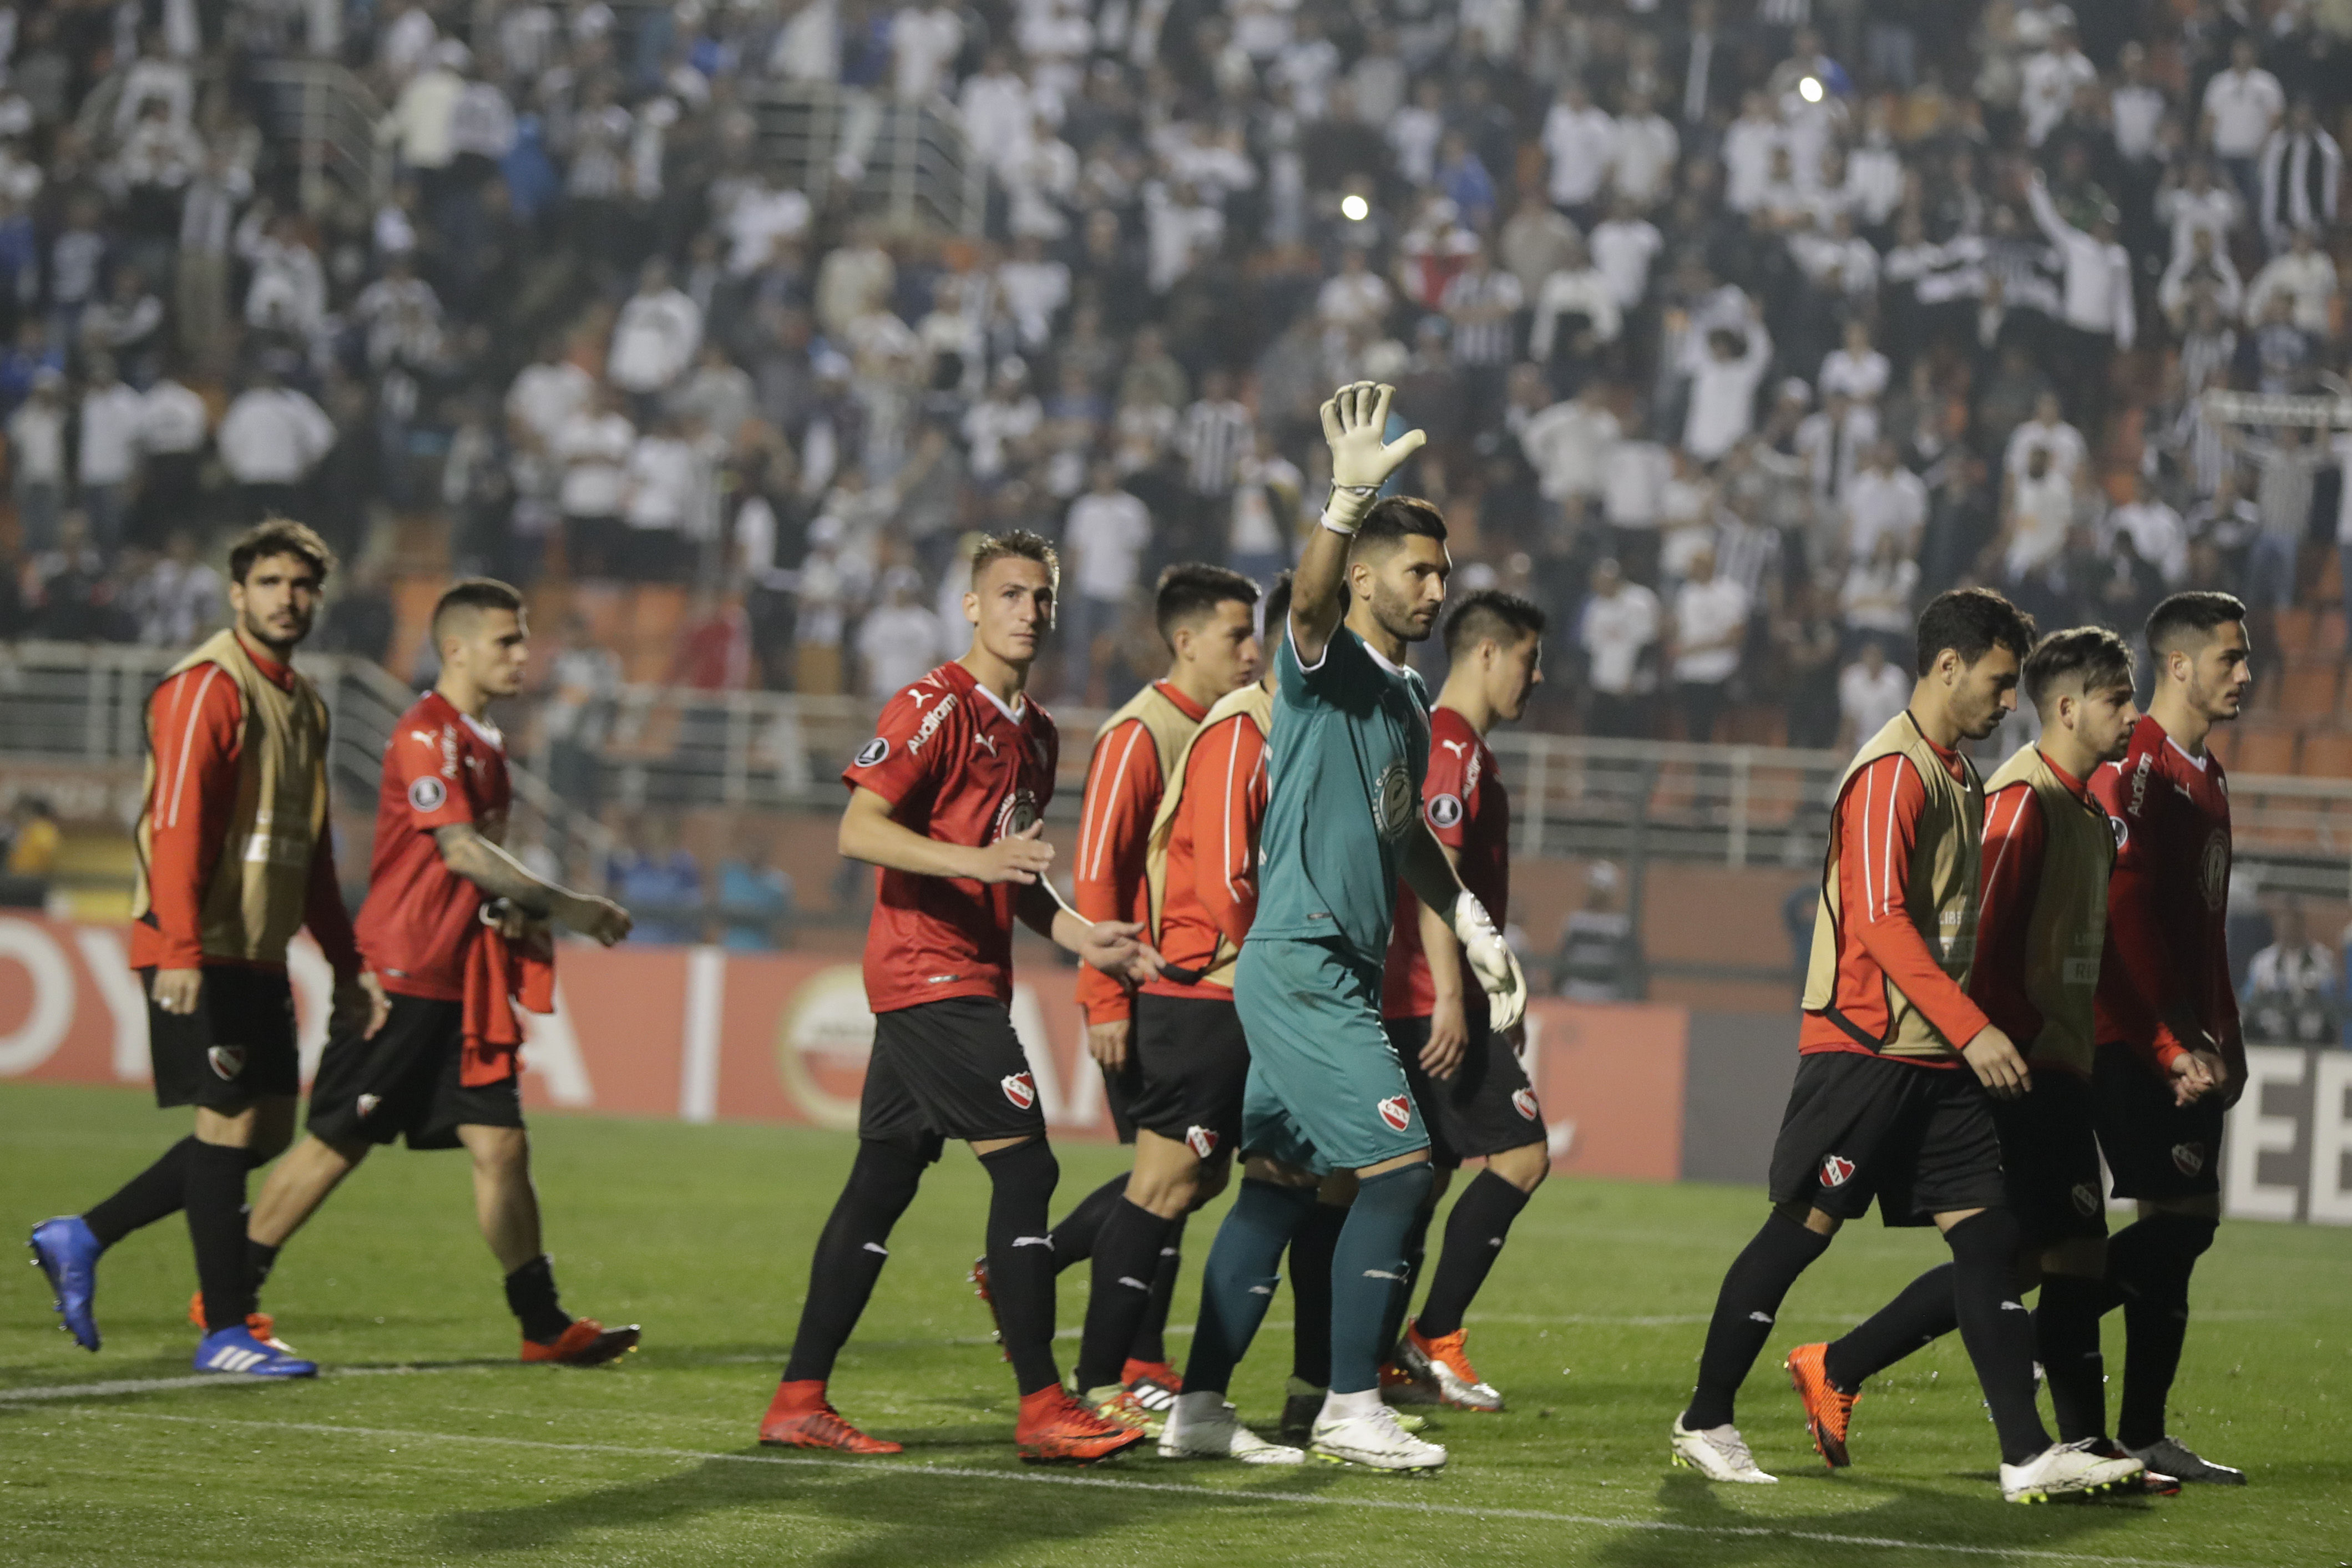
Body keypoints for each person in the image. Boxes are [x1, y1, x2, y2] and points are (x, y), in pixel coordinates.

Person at [1670, 588, 2146, 1504]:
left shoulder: (1959, 776)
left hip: (1939, 1058)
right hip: (1868, 1047)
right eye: (2000, 684)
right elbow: (1883, 923)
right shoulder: (1892, 772)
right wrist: (1977, 1027)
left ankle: (2025, 1453)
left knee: (1992, 1237)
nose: (2009, 702)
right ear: (1947, 667)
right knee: (1799, 1233)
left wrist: (1963, 1034)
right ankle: (1705, 1416)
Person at [1168, 383, 1526, 1473]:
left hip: (1333, 966)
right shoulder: (1323, 669)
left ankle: (1196, 1411)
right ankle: (1345, 1404)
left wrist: (1463, 915)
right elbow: (1308, 606)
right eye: (1416, 570)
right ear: (1364, 575)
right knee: (1403, 1165)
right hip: (1304, 964)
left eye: (1442, 571)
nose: (1435, 587)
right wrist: (1340, 503)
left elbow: (1402, 829)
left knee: (1276, 1187)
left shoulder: (1410, 704)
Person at [757, 530, 1159, 1463]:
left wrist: (1081, 934)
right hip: (927, 974)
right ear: (972, 605)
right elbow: (860, 829)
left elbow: (1016, 882)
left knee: (882, 1181)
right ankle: (1042, 1406)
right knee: (1027, 1171)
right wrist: (973, 861)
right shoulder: (933, 706)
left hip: (962, 975)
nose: (1028, 611)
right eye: (1010, 594)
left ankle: (798, 1398)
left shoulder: (1039, 733)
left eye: (1042, 597)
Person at [1786, 628, 2168, 1485]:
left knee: (2044, 1256)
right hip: (2018, 1063)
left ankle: (1844, 1364)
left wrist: (2153, 1041)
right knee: (2045, 1255)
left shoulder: (2085, 808)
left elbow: (2092, 950)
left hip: (2058, 1059)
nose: (2133, 716)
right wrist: (1998, 1041)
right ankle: (2068, 1443)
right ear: (2066, 706)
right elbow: (1981, 946)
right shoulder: (2020, 800)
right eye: (2119, 698)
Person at [238, 579, 641, 1367]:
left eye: (523, 639)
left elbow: (473, 867)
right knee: (336, 1141)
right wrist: (569, 905)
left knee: (503, 1146)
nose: (525, 655)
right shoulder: (428, 732)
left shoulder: (486, 739)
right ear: (455, 648)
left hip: (465, 981)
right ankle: (227, 1295)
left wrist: (517, 914)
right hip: (404, 969)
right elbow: (458, 849)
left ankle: (541, 1322)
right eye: (507, 641)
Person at [31, 522, 385, 1377]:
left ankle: (83, 1233)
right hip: (201, 945)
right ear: (237, 593)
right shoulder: (204, 687)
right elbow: (175, 824)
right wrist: (181, 949)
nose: (286, 599)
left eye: (301, 586)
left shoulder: (305, 705)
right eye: (270, 582)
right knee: (225, 1126)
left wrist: (348, 963)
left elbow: (313, 851)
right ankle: (226, 1329)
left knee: (262, 1131)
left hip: (257, 950)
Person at [1039, 564, 1266, 1428]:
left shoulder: (1228, 726)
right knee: (1168, 1178)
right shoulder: (1142, 730)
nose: (1250, 651)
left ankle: (1130, 1352)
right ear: (1186, 640)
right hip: (1154, 990)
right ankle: (1123, 1358)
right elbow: (1099, 867)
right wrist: (1102, 996)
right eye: (1236, 635)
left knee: (1191, 1175)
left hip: (1195, 988)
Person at [2083, 591, 2254, 1485]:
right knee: (2185, 1224)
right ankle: (2045, 1323)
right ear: (2179, 664)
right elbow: (2123, 919)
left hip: (2193, 1044)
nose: (2246, 674)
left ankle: (2142, 1432)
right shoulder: (2137, 767)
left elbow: (2207, 927)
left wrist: (2226, 1029)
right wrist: (2167, 1042)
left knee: (2179, 1232)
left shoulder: (2208, 775)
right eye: (2231, 657)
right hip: (2138, 1043)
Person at [1377, 590, 1550, 1413]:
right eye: (1528, 657)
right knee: (1521, 1155)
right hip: (1429, 998)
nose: (1538, 675)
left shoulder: (1455, 743)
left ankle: (1379, 1353)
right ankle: (1432, 1334)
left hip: (1425, 995)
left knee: (1428, 1178)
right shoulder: (1450, 745)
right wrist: (1451, 993)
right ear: (1486, 653)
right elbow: (1431, 874)